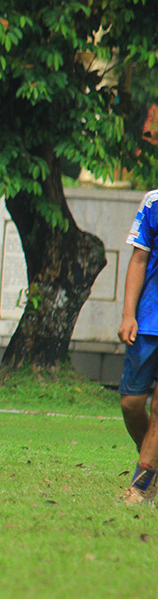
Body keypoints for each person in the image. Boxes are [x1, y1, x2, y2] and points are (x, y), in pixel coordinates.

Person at [118, 190, 158, 504]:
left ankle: (140, 487)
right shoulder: (153, 203)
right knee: (131, 403)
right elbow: (139, 258)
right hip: (147, 320)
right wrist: (128, 313)